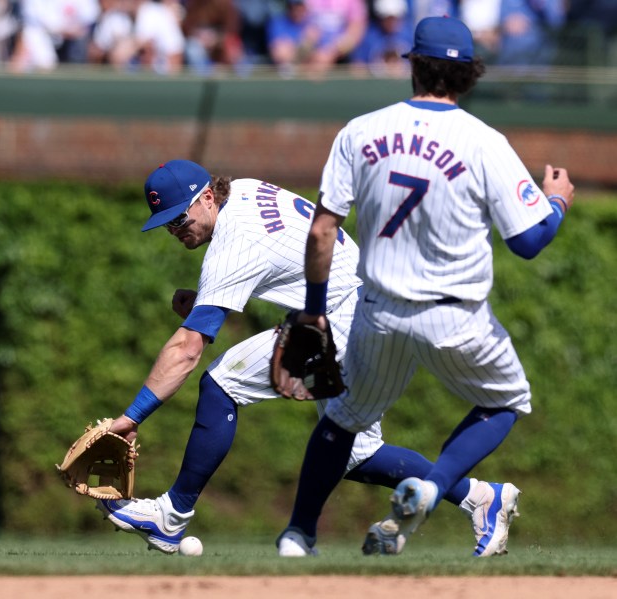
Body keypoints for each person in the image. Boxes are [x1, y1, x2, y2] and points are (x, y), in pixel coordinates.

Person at [95, 159, 516, 556]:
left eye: (178, 217)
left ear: (207, 197)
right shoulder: (243, 191)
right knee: (357, 454)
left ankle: (172, 515)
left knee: (223, 383)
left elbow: (188, 348)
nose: (174, 228)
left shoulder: (233, 241)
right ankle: (481, 497)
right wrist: (207, 299)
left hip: (349, 319)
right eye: (165, 223)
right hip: (365, 303)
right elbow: (286, 259)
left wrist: (132, 417)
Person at [275, 15, 575, 558]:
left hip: (378, 312)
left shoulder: (360, 131)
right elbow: (529, 242)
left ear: (412, 64)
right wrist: (556, 201)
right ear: (470, 75)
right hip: (455, 315)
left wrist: (316, 312)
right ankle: (436, 487)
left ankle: (298, 536)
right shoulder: (484, 141)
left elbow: (323, 231)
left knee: (343, 421)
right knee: (505, 401)